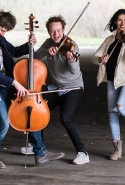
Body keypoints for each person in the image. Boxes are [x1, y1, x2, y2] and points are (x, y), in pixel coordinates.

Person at [0, 10, 64, 169]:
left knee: (31, 110)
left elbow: (13, 51)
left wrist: (29, 44)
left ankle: (40, 153)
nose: (3, 33)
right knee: (4, 122)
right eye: (2, 30)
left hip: (8, 82)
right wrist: (14, 83)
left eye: (6, 31)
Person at [34, 15, 90, 165]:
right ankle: (38, 147)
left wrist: (70, 59)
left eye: (59, 31)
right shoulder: (48, 43)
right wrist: (47, 51)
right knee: (38, 111)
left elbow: (74, 71)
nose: (56, 34)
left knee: (66, 118)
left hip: (73, 87)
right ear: (49, 33)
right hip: (57, 87)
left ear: (64, 30)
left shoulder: (72, 46)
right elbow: (36, 57)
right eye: (53, 31)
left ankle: (83, 153)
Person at [91, 9, 125, 161]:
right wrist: (101, 59)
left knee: (120, 106)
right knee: (112, 113)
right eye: (119, 20)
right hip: (113, 80)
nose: (123, 23)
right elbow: (94, 57)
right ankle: (117, 149)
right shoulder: (109, 40)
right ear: (115, 22)